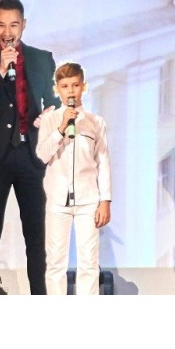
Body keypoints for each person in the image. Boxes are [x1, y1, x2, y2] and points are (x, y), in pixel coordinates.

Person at [0, 0, 59, 295]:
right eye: (1, 25)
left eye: (13, 25)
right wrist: (0, 72)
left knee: (36, 236)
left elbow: (55, 101)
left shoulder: (41, 59)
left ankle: (40, 299)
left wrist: (49, 114)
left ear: (24, 25)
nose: (7, 32)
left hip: (31, 156)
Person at [36, 62, 112, 295]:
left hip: (88, 199)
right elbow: (42, 155)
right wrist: (60, 129)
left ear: (84, 87)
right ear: (57, 89)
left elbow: (103, 162)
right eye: (65, 86)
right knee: (55, 262)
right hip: (57, 200)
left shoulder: (95, 122)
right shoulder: (50, 120)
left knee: (89, 261)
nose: (71, 91)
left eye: (75, 85)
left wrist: (105, 200)